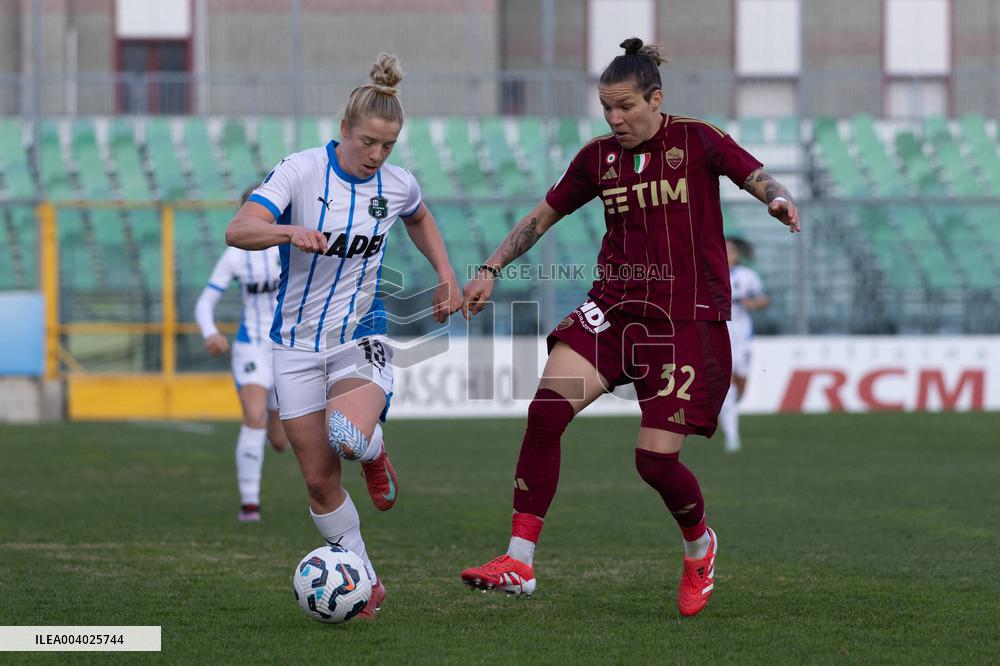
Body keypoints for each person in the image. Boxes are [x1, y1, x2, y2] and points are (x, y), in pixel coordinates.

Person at [459, 38, 799, 617]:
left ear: (655, 99)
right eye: (606, 108)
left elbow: (756, 175)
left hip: (685, 321)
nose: (615, 119)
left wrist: (778, 199)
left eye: (625, 107)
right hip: (613, 310)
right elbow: (542, 216)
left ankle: (699, 548)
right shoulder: (597, 158)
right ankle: (519, 560)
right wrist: (491, 268)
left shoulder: (697, 139)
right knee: (545, 414)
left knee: (654, 462)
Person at [225, 53, 464, 619]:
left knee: (347, 435)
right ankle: (368, 584)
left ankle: (374, 452)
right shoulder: (301, 170)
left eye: (388, 146)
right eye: (368, 143)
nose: (377, 155)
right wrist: (289, 230)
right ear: (343, 131)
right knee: (317, 483)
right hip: (294, 344)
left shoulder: (397, 184)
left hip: (359, 334)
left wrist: (447, 274)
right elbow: (239, 228)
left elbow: (420, 217)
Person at [195, 186, 290, 523]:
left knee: (280, 440)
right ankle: (250, 504)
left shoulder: (291, 244)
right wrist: (211, 333)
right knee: (253, 416)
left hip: (287, 346)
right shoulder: (236, 254)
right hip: (251, 344)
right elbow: (205, 302)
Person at [719, 237, 769, 453]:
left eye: (731, 250)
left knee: (741, 388)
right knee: (727, 385)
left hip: (743, 338)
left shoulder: (747, 277)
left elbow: (764, 299)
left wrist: (752, 303)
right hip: (720, 336)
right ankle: (732, 437)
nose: (727, 253)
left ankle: (727, 412)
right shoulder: (709, 274)